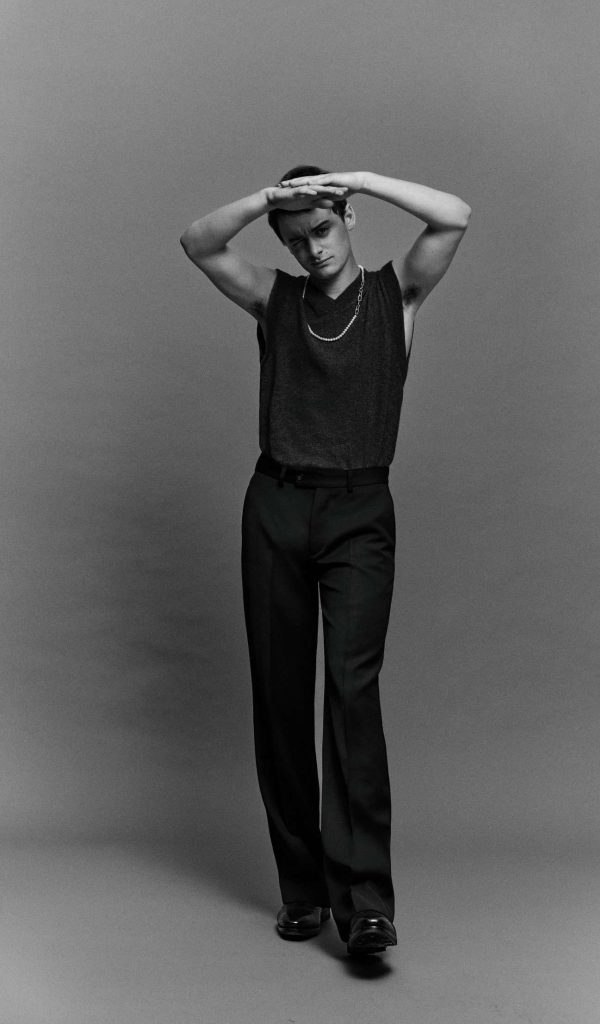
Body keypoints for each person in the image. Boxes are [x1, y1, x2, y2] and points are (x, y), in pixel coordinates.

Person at [180, 168, 471, 956]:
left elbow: (454, 216)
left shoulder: (396, 297)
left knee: (351, 695)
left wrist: (362, 180)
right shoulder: (274, 299)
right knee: (280, 701)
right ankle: (302, 891)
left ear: (348, 218)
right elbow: (198, 243)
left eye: (323, 229)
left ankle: (367, 905)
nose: (312, 249)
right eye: (295, 239)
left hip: (359, 511)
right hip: (275, 504)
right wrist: (266, 203)